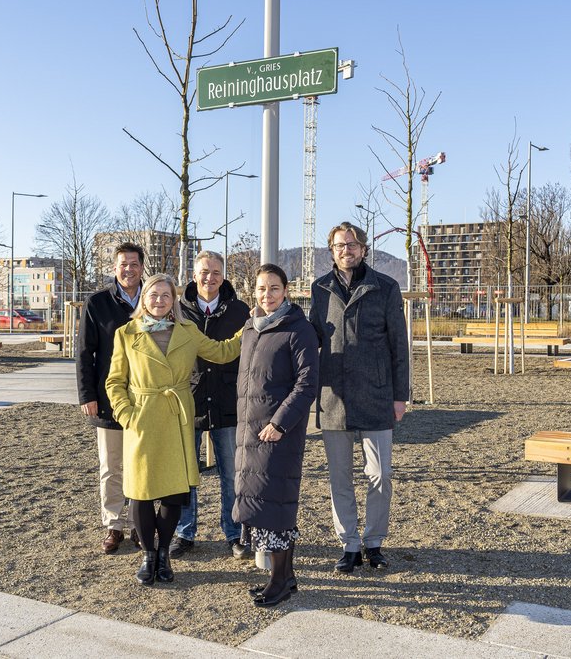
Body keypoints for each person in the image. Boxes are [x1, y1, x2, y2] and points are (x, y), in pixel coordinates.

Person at [105, 273, 243, 586]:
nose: (159, 300)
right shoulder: (127, 333)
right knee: (141, 492)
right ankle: (148, 556)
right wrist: (127, 414)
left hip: (177, 416)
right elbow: (115, 381)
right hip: (142, 417)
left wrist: (246, 331)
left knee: (174, 492)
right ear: (144, 298)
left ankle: (164, 553)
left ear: (173, 300)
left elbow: (221, 352)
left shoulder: (187, 330)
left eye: (166, 295)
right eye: (154, 294)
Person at [309, 221, 410, 574]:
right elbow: (311, 341)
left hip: (377, 394)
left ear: (364, 249)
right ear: (332, 250)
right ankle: (349, 544)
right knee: (340, 476)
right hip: (333, 396)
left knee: (380, 474)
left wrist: (400, 396)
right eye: (339, 245)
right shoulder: (319, 289)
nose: (346, 250)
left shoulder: (386, 287)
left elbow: (400, 345)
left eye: (352, 244)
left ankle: (374, 542)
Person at [233, 264, 319, 607]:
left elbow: (307, 384)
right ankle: (287, 576)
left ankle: (280, 580)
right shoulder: (251, 330)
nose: (266, 295)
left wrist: (280, 423)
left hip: (277, 433)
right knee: (260, 502)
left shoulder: (299, 330)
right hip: (249, 430)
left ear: (286, 290)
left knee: (275, 505)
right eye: (260, 289)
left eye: (273, 288)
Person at [172, 251, 253, 560]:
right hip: (188, 401)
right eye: (204, 272)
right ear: (194, 275)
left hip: (227, 400)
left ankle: (234, 534)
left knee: (231, 474)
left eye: (216, 272)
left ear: (224, 275)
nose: (210, 277)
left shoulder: (239, 311)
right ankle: (185, 532)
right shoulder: (178, 310)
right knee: (186, 472)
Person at [76, 242, 145, 555]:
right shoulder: (98, 302)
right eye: (122, 264)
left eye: (133, 263)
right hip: (108, 399)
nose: (128, 269)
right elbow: (84, 352)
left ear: (142, 267)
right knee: (111, 466)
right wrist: (87, 394)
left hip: (145, 400)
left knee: (140, 465)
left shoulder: (154, 298)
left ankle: (138, 525)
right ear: (114, 268)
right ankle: (114, 525)